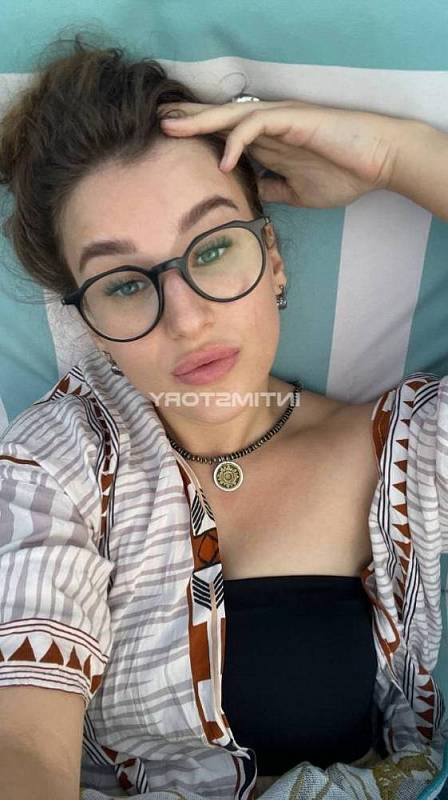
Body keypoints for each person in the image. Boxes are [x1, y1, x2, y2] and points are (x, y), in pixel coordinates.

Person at [0, 35, 447, 800]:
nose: (187, 319)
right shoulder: (57, 464)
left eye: (211, 250)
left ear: (273, 258)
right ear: (90, 322)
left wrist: (397, 156)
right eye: (124, 284)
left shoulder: (402, 455)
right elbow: (21, 745)